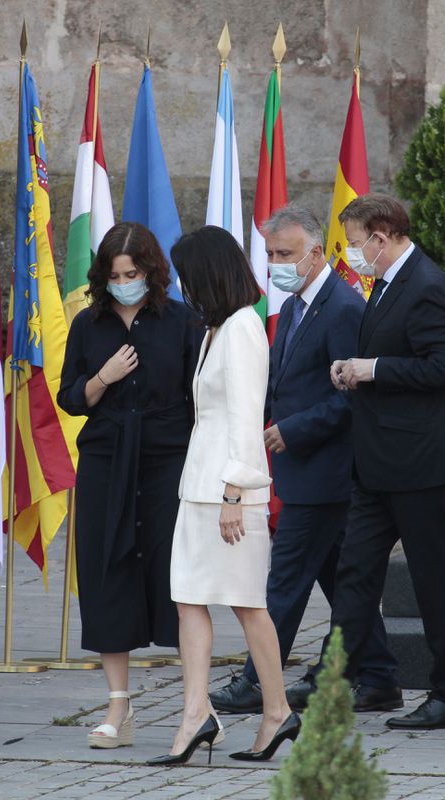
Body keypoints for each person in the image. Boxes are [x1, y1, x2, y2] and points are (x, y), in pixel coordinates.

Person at [209, 206, 400, 716]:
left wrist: (292, 430)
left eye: (285, 254)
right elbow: (283, 383)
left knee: (284, 582)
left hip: (327, 471)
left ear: (316, 253)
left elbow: (352, 397)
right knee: (343, 582)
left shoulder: (343, 308)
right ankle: (379, 677)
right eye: (270, 254)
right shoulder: (296, 305)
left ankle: (257, 682)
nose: (275, 264)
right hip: (304, 472)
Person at [149, 225, 300, 766]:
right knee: (189, 598)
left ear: (209, 274)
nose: (183, 287)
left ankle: (276, 711)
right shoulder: (217, 329)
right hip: (200, 487)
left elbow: (245, 414)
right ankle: (196, 713)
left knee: (248, 604)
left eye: (188, 276)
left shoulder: (241, 329)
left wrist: (235, 491)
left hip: (228, 492)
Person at [328, 193, 445, 731]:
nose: (351, 253)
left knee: (432, 580)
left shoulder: (426, 283)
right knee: (354, 572)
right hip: (379, 463)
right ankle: (333, 680)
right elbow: (395, 355)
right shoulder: (388, 282)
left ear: (381, 237)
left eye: (354, 242)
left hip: (420, 464)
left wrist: (373, 370)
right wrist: (354, 369)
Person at [56, 222, 200, 750]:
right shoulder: (88, 324)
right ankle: (119, 707)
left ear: (150, 271)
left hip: (167, 464)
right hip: (106, 463)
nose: (123, 283)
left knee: (177, 579)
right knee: (106, 575)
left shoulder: (182, 321)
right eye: (114, 276)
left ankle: (196, 706)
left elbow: (199, 397)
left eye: (131, 274)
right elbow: (70, 397)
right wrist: (103, 378)